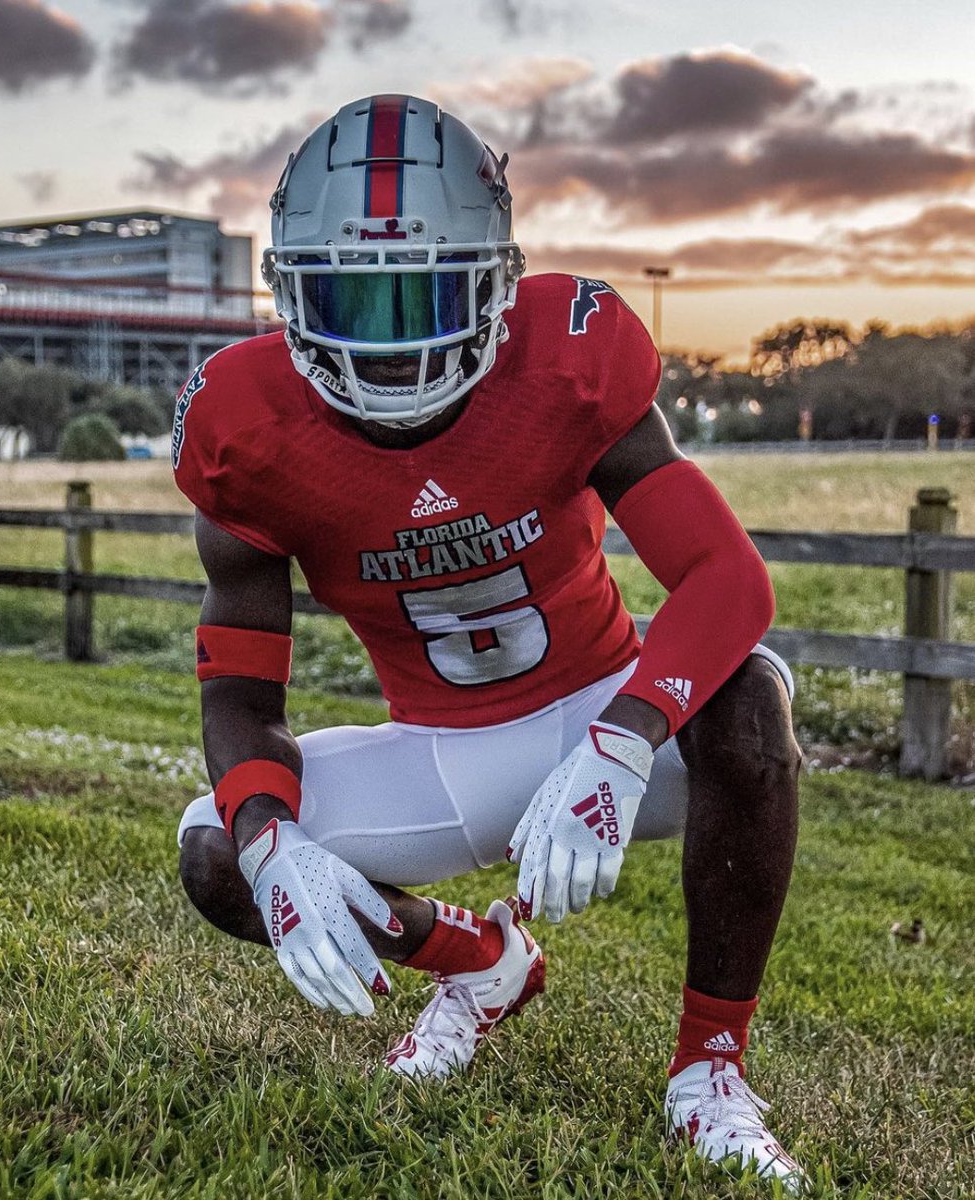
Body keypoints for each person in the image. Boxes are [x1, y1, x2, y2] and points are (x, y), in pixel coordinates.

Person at [173, 94, 804, 1188]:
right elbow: (241, 696)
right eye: (350, 301)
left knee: (747, 702)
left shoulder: (566, 357)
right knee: (220, 851)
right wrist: (273, 842)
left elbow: (724, 580)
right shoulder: (244, 424)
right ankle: (482, 962)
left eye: (419, 293)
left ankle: (709, 1070)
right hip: (446, 751)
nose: (392, 345)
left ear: (497, 284)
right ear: (287, 292)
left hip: (607, 709)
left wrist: (622, 738)